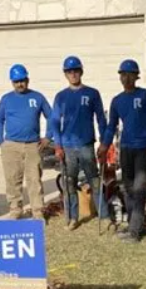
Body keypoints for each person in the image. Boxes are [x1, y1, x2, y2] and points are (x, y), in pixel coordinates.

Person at [97, 59, 146, 243]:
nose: (125, 77)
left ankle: (134, 232)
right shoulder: (117, 101)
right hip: (126, 148)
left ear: (136, 76)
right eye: (122, 74)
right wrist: (104, 145)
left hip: (144, 149)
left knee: (139, 189)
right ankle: (134, 224)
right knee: (127, 188)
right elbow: (111, 127)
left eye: (129, 74)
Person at [51, 56, 108, 230]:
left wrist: (104, 143)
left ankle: (104, 216)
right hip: (68, 148)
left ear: (81, 72)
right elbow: (54, 122)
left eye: (76, 70)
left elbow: (101, 119)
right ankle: (73, 217)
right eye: (69, 71)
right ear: (65, 74)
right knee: (69, 183)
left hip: (86, 146)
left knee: (95, 181)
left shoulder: (92, 93)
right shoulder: (61, 97)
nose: (73, 74)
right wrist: (58, 146)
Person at [0, 64, 52, 220]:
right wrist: (1, 141)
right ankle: (15, 209)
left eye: (22, 80)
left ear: (27, 79)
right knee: (12, 179)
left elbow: (51, 117)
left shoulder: (37, 97)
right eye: (16, 81)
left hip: (33, 145)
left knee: (34, 179)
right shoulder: (6, 99)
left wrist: (48, 137)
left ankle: (37, 211)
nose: (20, 84)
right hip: (11, 145)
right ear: (12, 82)